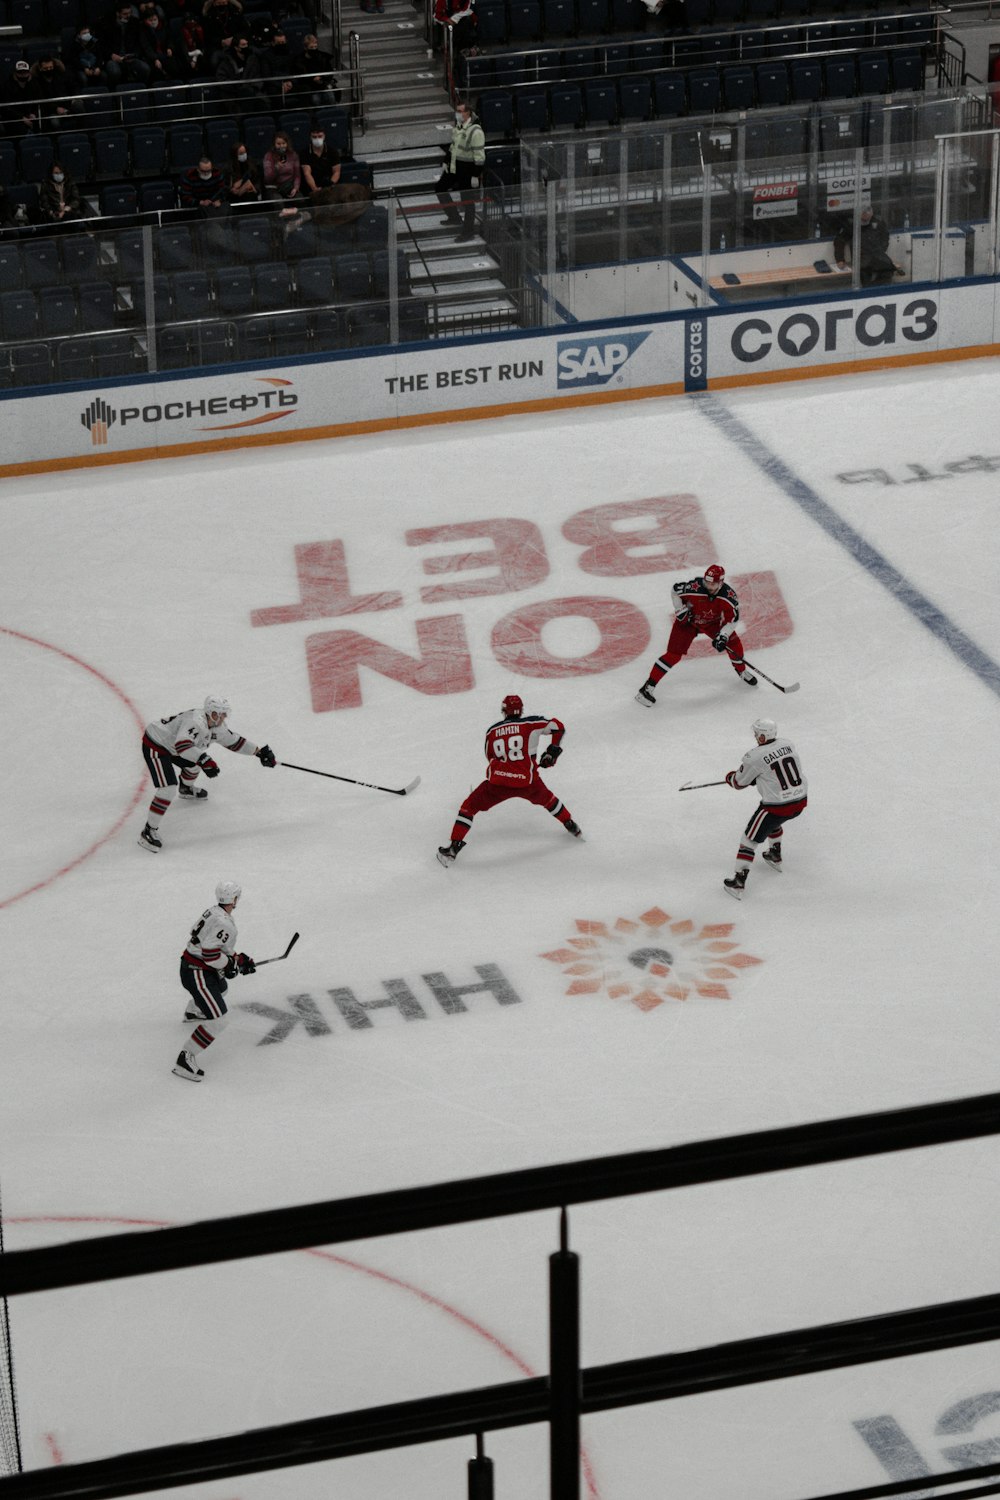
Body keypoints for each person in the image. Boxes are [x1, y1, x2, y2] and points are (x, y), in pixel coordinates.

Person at [437, 694, 582, 867]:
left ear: (504, 711)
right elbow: (558, 726)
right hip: (529, 783)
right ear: (521, 710)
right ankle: (570, 824)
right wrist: (553, 750)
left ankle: (453, 848)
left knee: (469, 807)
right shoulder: (531, 723)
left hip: (498, 784)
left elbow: (489, 757)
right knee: (549, 800)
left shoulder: (492, 731)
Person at [138, 695, 277, 852]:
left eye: (225, 714)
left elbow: (234, 742)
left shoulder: (217, 726)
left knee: (194, 766)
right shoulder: (196, 722)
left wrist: (258, 752)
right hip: (157, 744)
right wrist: (204, 759)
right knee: (168, 789)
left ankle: (186, 788)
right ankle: (148, 831)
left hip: (173, 746)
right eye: (221, 714)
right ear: (212, 713)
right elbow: (183, 746)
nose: (224, 717)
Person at [635, 563, 756, 705]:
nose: (708, 586)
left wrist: (723, 636)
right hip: (688, 623)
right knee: (673, 655)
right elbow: (675, 591)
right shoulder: (695, 587)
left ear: (721, 583)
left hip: (711, 623)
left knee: (733, 643)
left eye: (713, 584)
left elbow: (732, 621)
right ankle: (647, 687)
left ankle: (741, 671)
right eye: (706, 582)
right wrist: (680, 610)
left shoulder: (729, 597)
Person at [173, 879, 256, 1082]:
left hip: (192, 965)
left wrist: (237, 960)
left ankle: (194, 1010)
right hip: (197, 973)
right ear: (234, 899)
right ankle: (185, 1058)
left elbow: (211, 946)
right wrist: (229, 965)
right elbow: (211, 956)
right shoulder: (225, 923)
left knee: (222, 989)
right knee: (219, 1021)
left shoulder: (212, 911)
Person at [722, 718, 808, 900]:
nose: (755, 736)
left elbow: (738, 782)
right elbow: (777, 770)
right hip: (800, 801)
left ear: (762, 737)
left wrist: (730, 777)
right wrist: (759, 777)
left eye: (756, 734)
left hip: (777, 806)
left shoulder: (754, 757)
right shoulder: (788, 744)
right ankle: (774, 854)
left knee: (748, 840)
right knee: (774, 822)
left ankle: (738, 882)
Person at [437, 97, 485, 242]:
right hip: (455, 166)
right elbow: (453, 146)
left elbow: (480, 157)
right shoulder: (458, 126)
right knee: (440, 187)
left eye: (460, 111)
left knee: (467, 201)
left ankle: (468, 231)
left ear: (468, 113)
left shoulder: (476, 132)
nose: (457, 113)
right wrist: (446, 161)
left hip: (468, 170)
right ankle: (454, 216)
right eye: (456, 111)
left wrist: (476, 175)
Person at [833, 205, 904, 287]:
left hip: (878, 257)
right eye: (863, 216)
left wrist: (880, 250)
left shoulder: (878, 223)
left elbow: (885, 237)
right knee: (865, 278)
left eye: (867, 216)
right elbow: (839, 241)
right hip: (862, 260)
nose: (865, 218)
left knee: (887, 270)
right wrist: (840, 259)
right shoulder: (852, 225)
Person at [101, 4, 152, 84]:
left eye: (130, 13)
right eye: (125, 14)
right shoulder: (108, 24)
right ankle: (115, 92)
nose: (128, 16)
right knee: (114, 71)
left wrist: (134, 55)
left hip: (129, 57)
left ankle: (138, 91)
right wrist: (111, 55)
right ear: (118, 14)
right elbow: (102, 45)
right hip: (113, 57)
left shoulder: (134, 22)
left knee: (145, 69)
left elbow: (139, 43)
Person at [291, 34, 340, 107]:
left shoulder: (323, 57)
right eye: (311, 47)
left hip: (323, 84)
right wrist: (313, 79)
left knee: (331, 98)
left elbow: (329, 72)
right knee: (315, 100)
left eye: (315, 47)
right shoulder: (299, 60)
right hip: (310, 87)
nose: (314, 49)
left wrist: (321, 78)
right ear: (305, 48)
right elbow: (301, 77)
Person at [262, 130, 302, 203]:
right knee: (278, 202)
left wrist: (296, 188)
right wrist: (276, 168)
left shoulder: (293, 155)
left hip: (289, 185)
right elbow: (267, 179)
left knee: (300, 199)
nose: (281, 146)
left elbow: (297, 175)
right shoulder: (269, 156)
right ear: (274, 144)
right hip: (274, 187)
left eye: (283, 143)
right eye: (278, 144)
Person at [301, 126, 340, 194]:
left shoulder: (333, 152)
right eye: (314, 137)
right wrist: (315, 188)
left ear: (324, 136)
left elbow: (336, 172)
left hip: (329, 184)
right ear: (310, 137)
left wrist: (329, 186)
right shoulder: (304, 153)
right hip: (312, 186)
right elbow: (307, 173)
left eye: (320, 136)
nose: (317, 139)